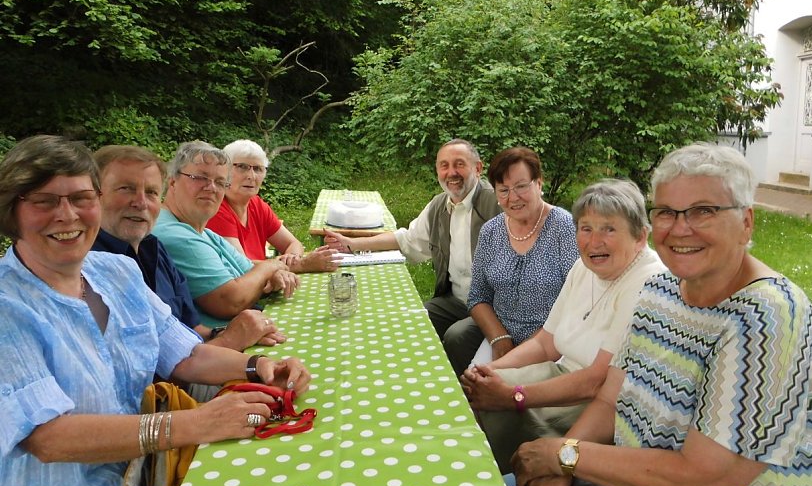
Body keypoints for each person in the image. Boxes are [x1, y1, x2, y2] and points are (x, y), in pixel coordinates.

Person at [477, 143, 812, 486]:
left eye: (703, 210)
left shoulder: (768, 319)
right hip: (635, 485)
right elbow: (611, 397)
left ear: (746, 222)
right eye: (667, 211)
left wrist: (565, 455)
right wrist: (566, 460)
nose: (680, 228)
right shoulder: (660, 291)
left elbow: (705, 477)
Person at [0, 135, 312, 486]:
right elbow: (47, 438)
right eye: (44, 201)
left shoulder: (116, 271)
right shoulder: (8, 307)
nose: (67, 215)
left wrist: (259, 364)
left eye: (81, 198)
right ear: (12, 212)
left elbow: (187, 354)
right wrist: (194, 425)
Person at [461, 179, 664, 473]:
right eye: (586, 228)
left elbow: (597, 381)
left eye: (609, 228)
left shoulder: (648, 283)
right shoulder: (584, 267)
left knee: (492, 408)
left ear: (640, 236)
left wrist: (512, 395)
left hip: (596, 407)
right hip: (560, 374)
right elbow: (546, 342)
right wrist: (491, 371)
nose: (594, 242)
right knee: (473, 388)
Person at [323, 139, 502, 368]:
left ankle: (461, 394)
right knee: (414, 321)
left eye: (459, 164)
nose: (451, 173)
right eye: (444, 165)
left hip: (492, 307)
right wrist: (351, 243)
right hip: (456, 300)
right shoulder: (440, 205)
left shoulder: (496, 202)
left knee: (457, 337)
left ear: (478, 168)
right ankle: (420, 376)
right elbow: (407, 239)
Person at [92, 145, 285, 350]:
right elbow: (230, 301)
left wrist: (225, 334)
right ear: (93, 195)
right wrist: (231, 341)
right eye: (126, 188)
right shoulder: (94, 265)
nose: (141, 202)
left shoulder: (152, 247)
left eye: (151, 192)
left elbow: (187, 329)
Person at [152, 141, 298, 328]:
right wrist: (270, 267)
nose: (211, 187)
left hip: (247, 330)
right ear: (172, 182)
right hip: (218, 346)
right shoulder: (173, 233)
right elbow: (230, 301)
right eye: (200, 177)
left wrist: (267, 275)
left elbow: (249, 271)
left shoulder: (203, 232)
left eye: (220, 182)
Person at [464, 147, 579, 376]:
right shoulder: (490, 232)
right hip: (501, 338)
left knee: (516, 400)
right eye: (504, 190)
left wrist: (524, 351)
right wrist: (500, 339)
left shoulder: (564, 227)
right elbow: (478, 296)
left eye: (521, 186)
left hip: (552, 343)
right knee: (474, 388)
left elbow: (576, 302)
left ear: (538, 183)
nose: (513, 197)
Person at [206, 139, 338, 272]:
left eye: (258, 169)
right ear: (224, 171)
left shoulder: (256, 205)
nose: (252, 176)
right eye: (242, 167)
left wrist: (292, 258)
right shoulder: (216, 209)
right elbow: (241, 267)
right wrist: (302, 265)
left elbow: (293, 243)